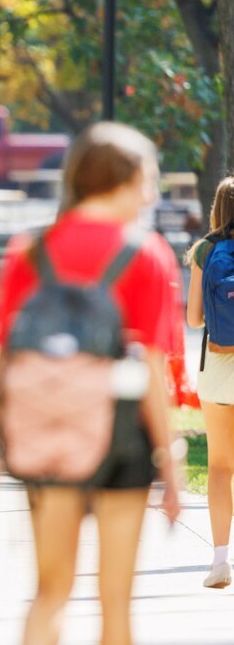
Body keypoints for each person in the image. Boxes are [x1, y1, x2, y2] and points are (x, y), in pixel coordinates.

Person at [0, 122, 182, 645]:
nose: (152, 193)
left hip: (47, 431)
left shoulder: (31, 250)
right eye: (148, 179)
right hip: (124, 435)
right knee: (117, 602)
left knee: (50, 590)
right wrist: (170, 463)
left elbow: (5, 358)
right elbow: (154, 369)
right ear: (123, 180)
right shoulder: (147, 253)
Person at [184, 176, 234, 589]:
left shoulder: (205, 250)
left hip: (217, 366)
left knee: (219, 466)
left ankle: (220, 561)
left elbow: (193, 319)